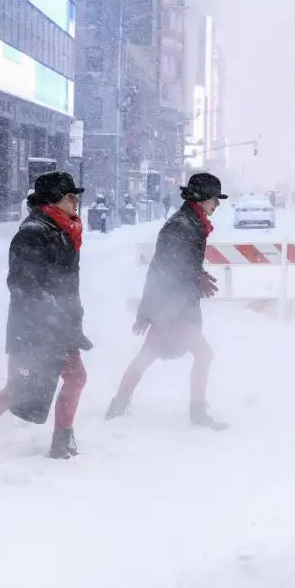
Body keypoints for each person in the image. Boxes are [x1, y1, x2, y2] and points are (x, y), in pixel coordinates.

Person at [0, 171, 93, 459]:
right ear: (53, 200)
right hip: (33, 329)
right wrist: (54, 315)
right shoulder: (34, 232)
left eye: (76, 196)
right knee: (17, 392)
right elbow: (22, 284)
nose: (76, 201)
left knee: (76, 377)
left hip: (61, 327)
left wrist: (71, 320)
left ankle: (62, 442)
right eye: (70, 196)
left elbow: (65, 283)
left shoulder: (64, 229)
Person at [106, 172, 228, 430]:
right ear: (202, 197)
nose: (217, 205)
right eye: (215, 199)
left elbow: (181, 264)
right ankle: (196, 412)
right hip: (173, 307)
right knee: (202, 355)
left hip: (173, 305)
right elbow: (165, 267)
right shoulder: (182, 225)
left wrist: (198, 275)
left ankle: (118, 404)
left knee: (148, 356)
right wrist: (148, 312)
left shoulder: (191, 222)